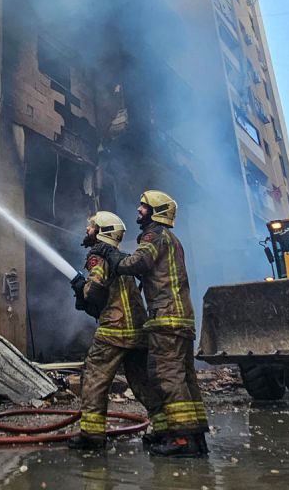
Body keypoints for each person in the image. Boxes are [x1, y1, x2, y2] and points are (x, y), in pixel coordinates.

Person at [113, 190, 209, 457]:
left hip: (165, 319)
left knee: (166, 376)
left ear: (155, 212)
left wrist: (114, 258)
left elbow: (137, 262)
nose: (138, 211)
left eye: (143, 207)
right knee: (185, 378)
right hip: (182, 319)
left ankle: (181, 441)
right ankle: (195, 436)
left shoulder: (153, 235)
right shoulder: (173, 239)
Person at [67, 211, 167, 450]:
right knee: (142, 382)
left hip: (114, 330)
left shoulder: (97, 257)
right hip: (138, 330)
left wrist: (82, 288)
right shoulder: (121, 258)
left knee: (94, 378)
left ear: (102, 232)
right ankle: (164, 428)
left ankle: (92, 435)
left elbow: (95, 291)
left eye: (92, 227)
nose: (87, 231)